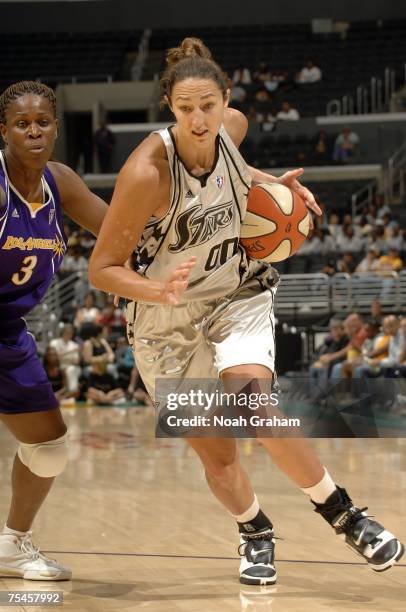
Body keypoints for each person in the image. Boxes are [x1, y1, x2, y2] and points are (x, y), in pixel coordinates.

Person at [89, 38, 404, 584]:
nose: (199, 119)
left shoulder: (229, 128)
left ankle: (345, 514)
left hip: (237, 293)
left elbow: (234, 164)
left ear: (225, 100)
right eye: (186, 109)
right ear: (170, 106)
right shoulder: (147, 173)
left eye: (208, 105)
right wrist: (157, 291)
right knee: (220, 459)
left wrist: (270, 187)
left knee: (253, 403)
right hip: (164, 323)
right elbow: (102, 269)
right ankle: (255, 531)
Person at [0, 81, 107, 580]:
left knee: (49, 447)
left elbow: (119, 231)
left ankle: (12, 545)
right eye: (22, 123)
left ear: (56, 128)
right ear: (4, 131)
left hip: (7, 332)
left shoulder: (60, 182)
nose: (34, 130)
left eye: (43, 121)